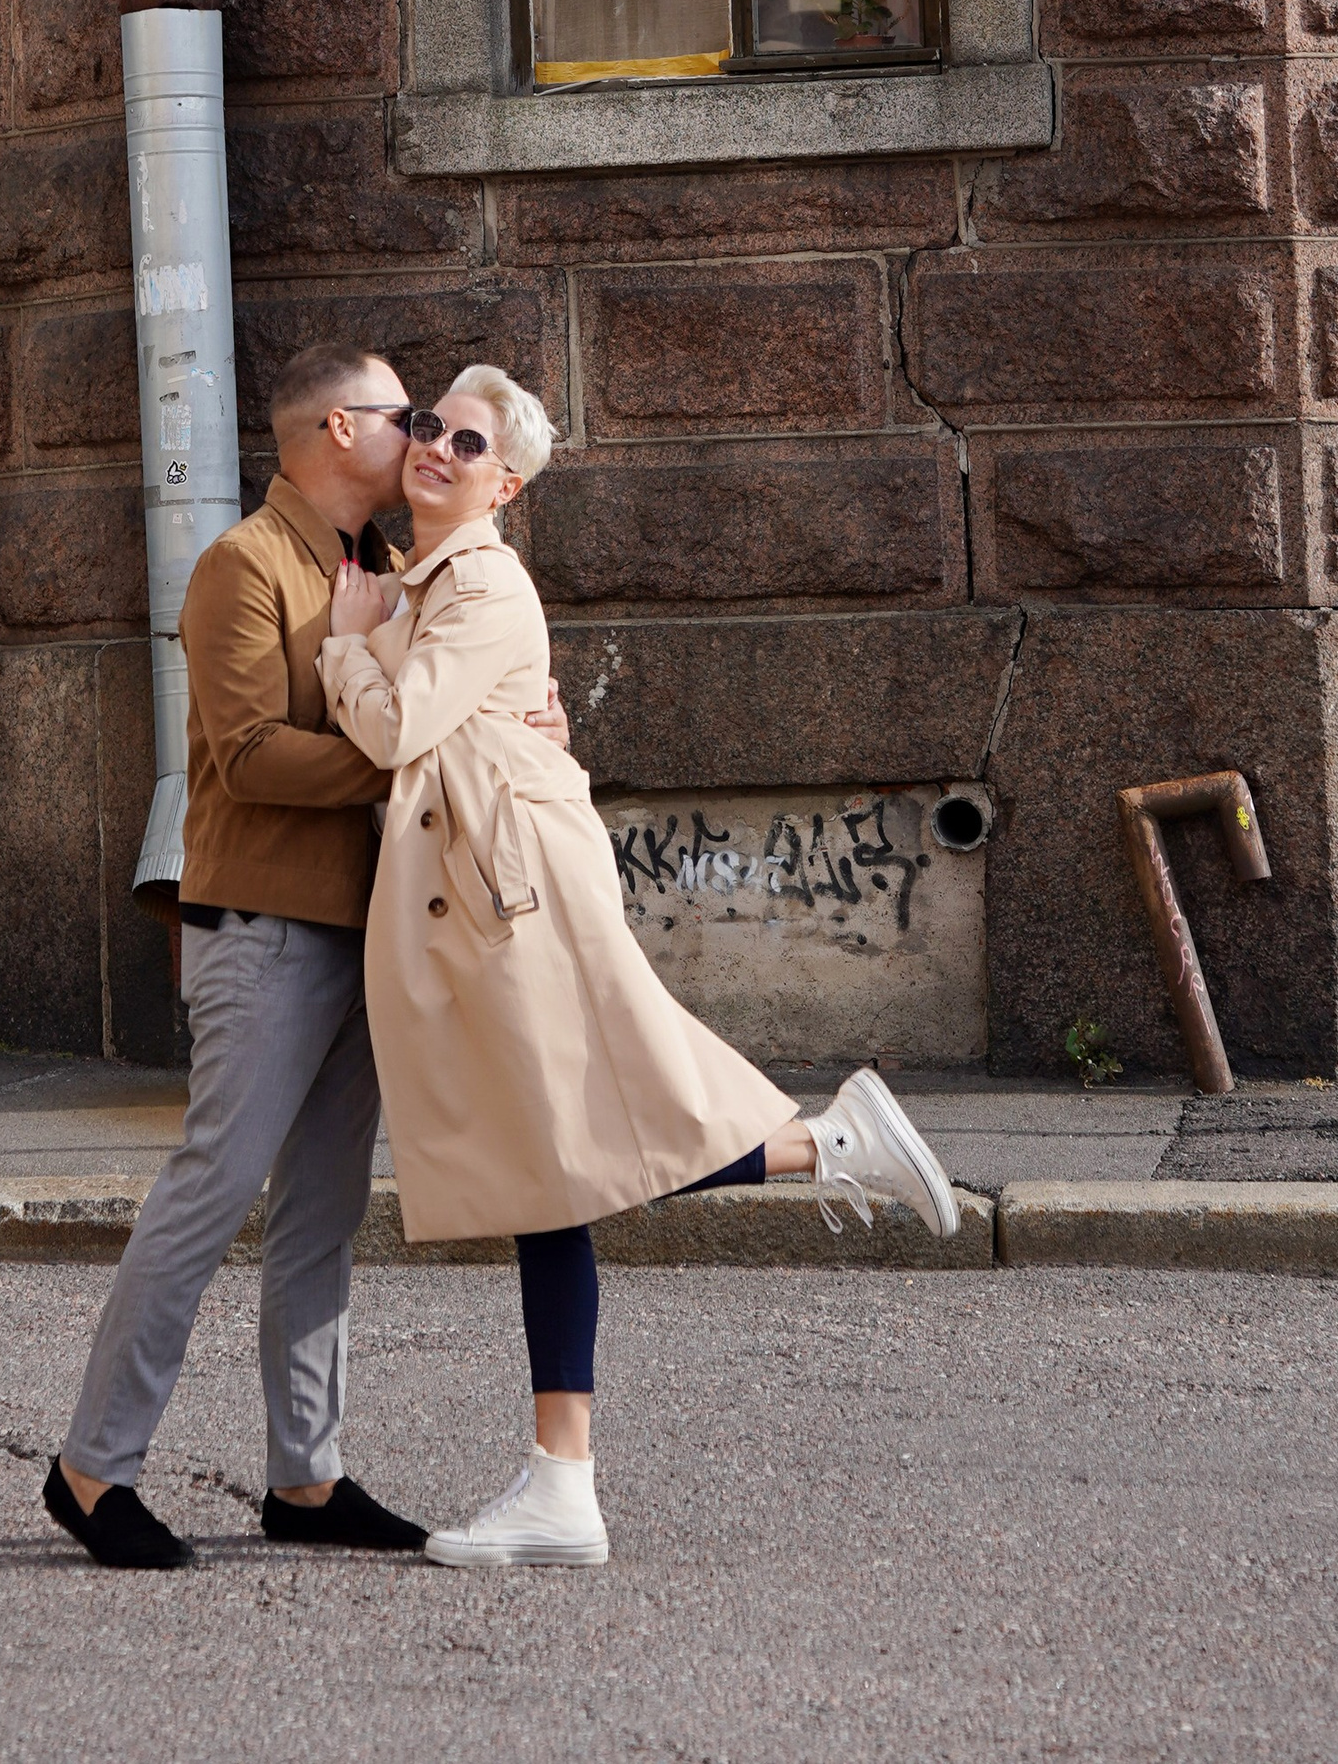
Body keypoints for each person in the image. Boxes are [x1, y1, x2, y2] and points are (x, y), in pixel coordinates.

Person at [319, 364, 959, 1572]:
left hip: (515, 909)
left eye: (468, 441)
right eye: (429, 426)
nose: (437, 448)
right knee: (549, 1174)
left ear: (506, 484)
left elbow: (398, 726)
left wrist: (345, 649)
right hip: (497, 900)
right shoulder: (429, 581)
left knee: (567, 1158)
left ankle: (827, 1146)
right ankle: (562, 1485)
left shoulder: (480, 583)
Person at [44, 343, 439, 1572]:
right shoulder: (242, 564)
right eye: (404, 415)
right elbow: (251, 753)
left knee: (324, 1212)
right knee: (210, 1195)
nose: (422, 435)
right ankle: (93, 1469)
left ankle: (305, 1480)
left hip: (365, 926)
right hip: (263, 930)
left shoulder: (387, 566)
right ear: (338, 429)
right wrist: (407, 755)